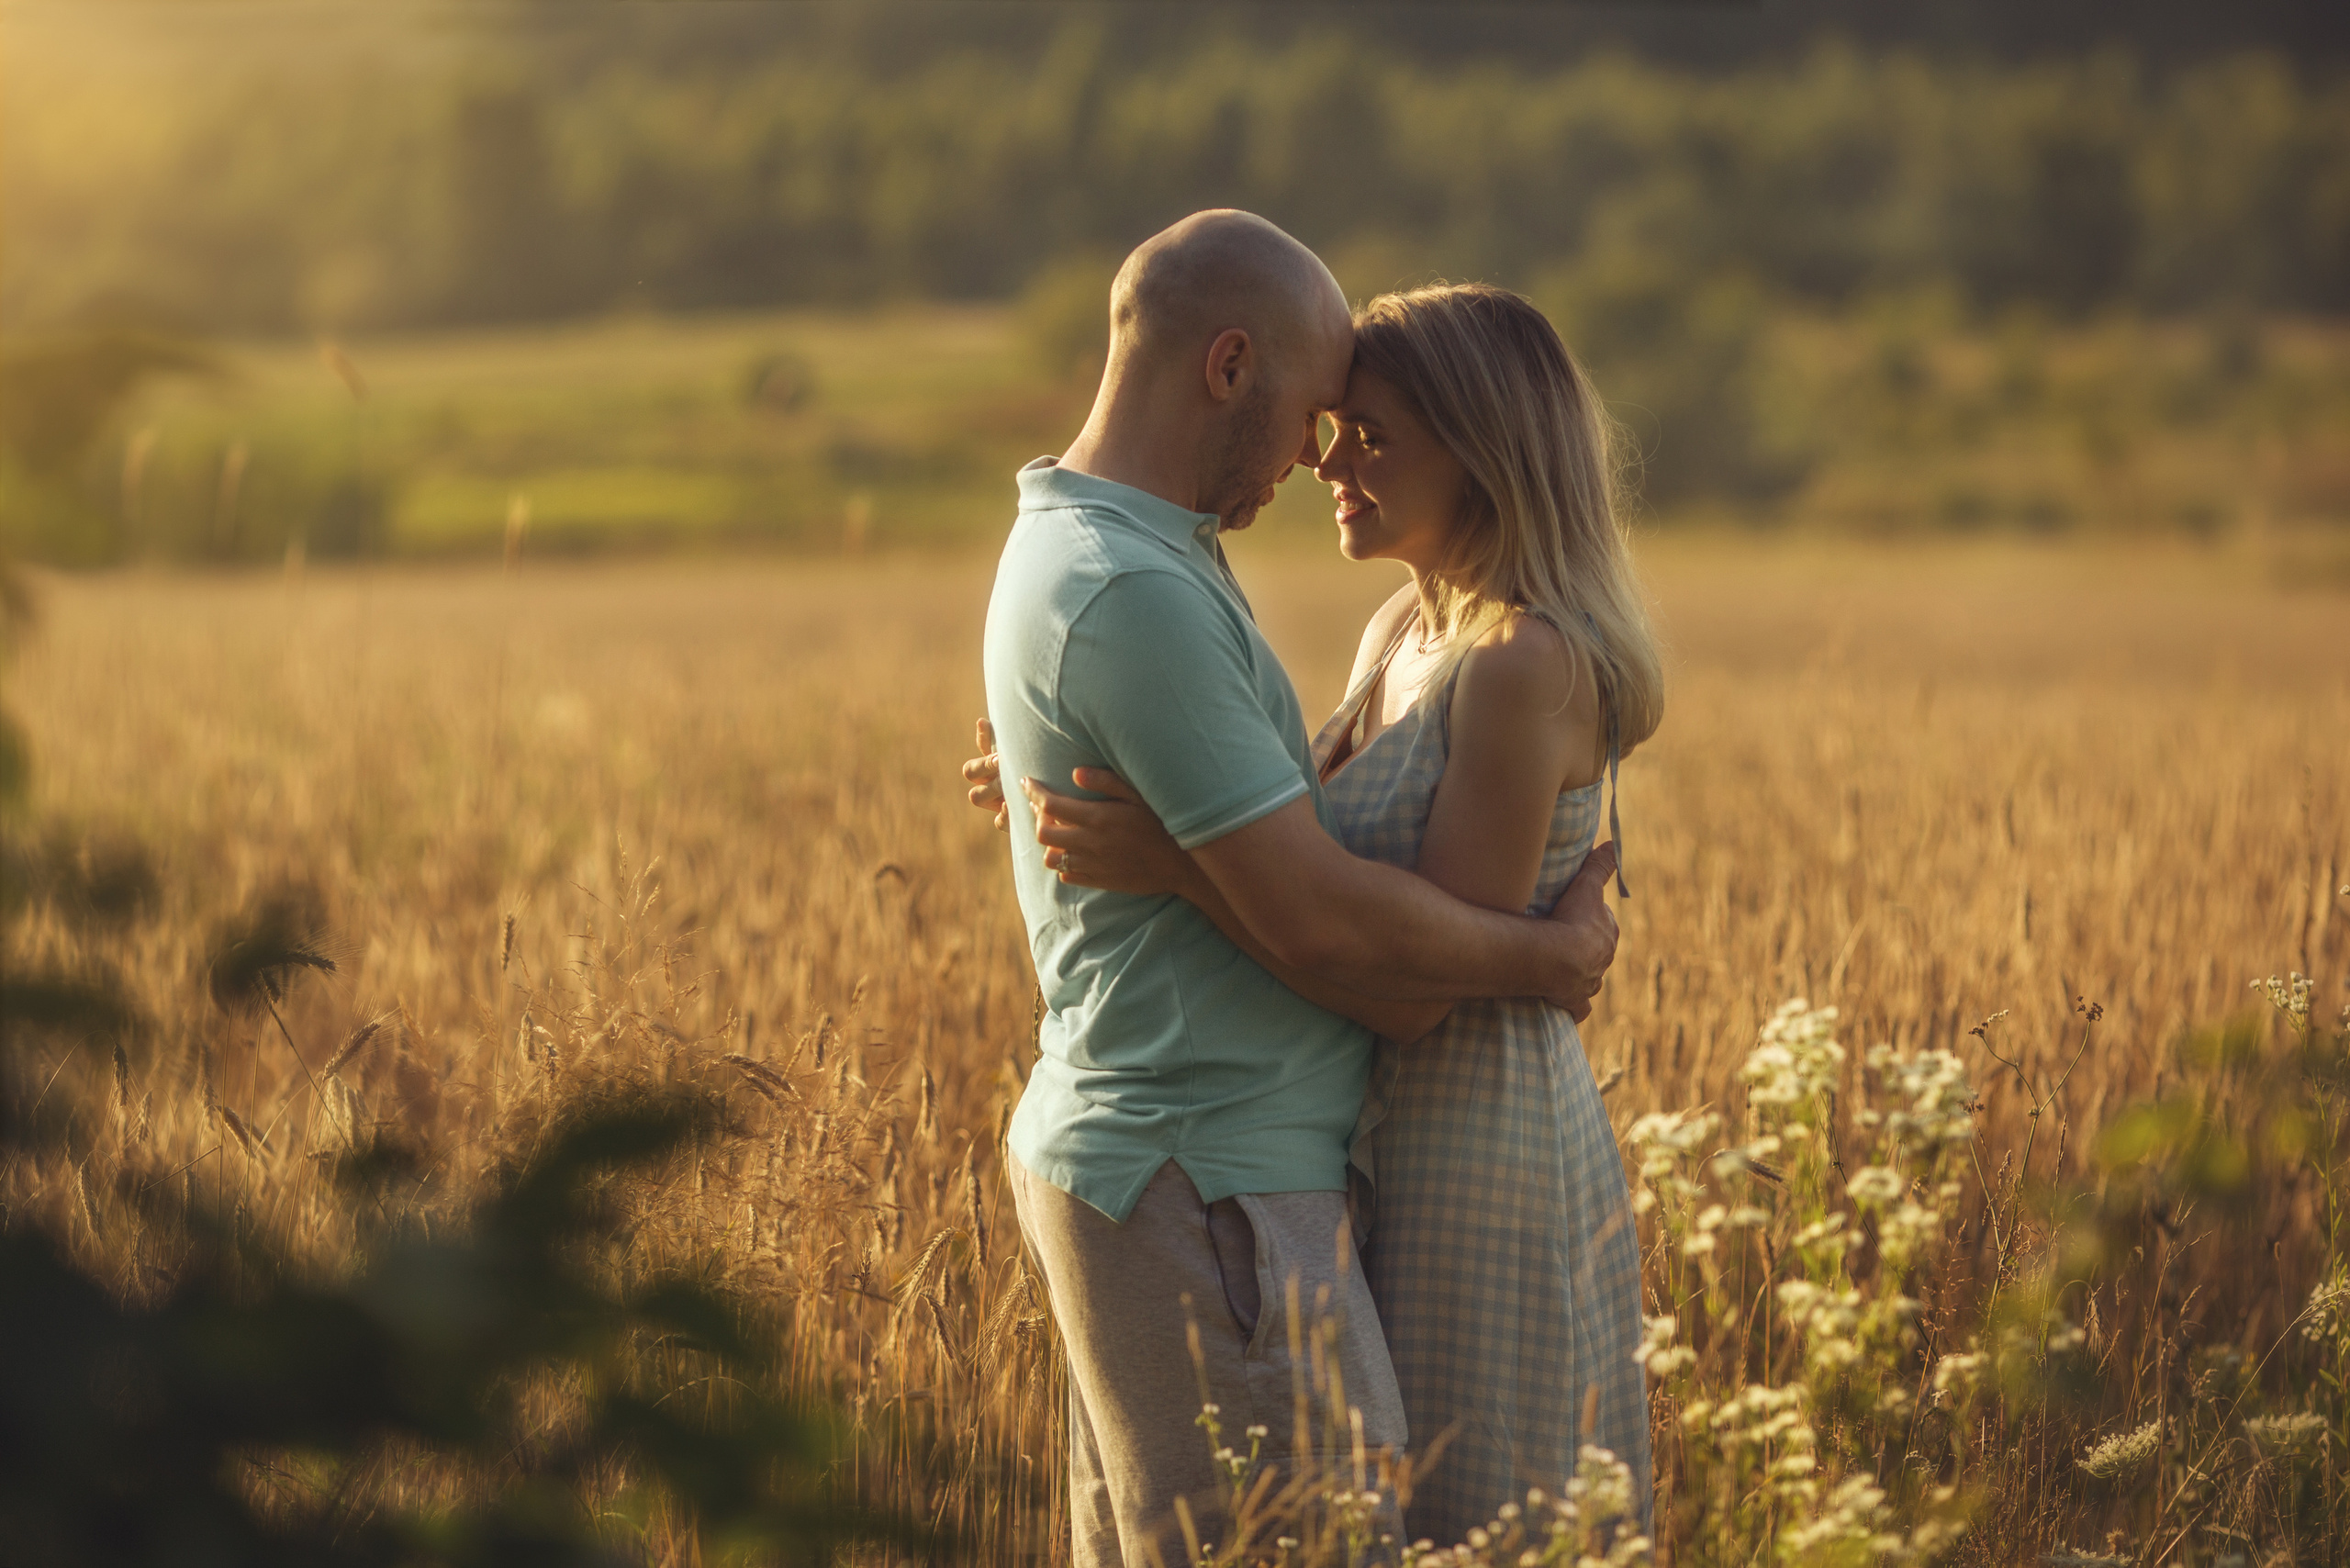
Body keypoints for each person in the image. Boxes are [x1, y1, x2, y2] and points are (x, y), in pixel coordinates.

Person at [978, 211, 1626, 1568]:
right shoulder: (1133, 589)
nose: (1319, 458)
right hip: (1213, 1187)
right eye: (1317, 418)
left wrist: (1162, 834)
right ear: (1228, 368)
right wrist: (1548, 961)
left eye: (1362, 431)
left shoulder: (1135, 564)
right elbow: (1322, 911)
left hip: (1318, 1171)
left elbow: (1306, 870)